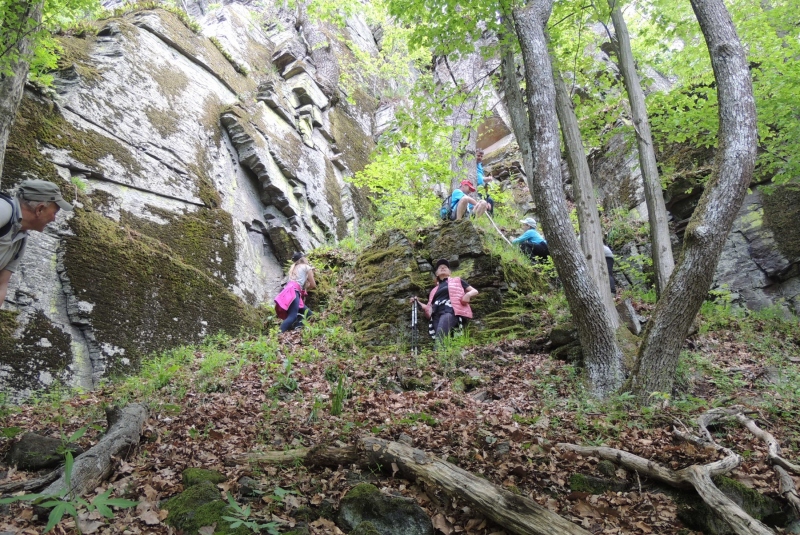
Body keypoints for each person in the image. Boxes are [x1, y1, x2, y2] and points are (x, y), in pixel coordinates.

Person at [0, 180, 73, 305]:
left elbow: (2, 283)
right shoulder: (3, 210)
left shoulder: (20, 239)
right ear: (40, 209)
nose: (54, 219)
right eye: (54, 213)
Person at [412, 258, 478, 340]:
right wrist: (417, 302)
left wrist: (468, 295)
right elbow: (429, 307)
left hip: (450, 310)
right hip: (436, 314)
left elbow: (475, 291)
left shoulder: (457, 281)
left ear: (449, 272)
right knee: (440, 338)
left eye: (445, 267)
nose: (442, 268)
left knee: (440, 335)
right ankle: (445, 352)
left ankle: (437, 352)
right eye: (440, 267)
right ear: (436, 273)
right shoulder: (433, 290)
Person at [274, 252, 316, 332]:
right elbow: (313, 285)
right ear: (303, 259)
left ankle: (298, 327)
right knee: (292, 315)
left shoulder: (293, 269)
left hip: (288, 291)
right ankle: (278, 334)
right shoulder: (306, 267)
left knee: (308, 313)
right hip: (294, 292)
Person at [475, 150, 495, 215]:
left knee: (490, 201)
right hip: (475, 189)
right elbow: (480, 179)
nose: (480, 157)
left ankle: (491, 216)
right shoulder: (472, 164)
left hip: (482, 189)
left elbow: (481, 177)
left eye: (481, 156)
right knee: (485, 202)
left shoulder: (479, 165)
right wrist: (487, 179)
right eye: (478, 155)